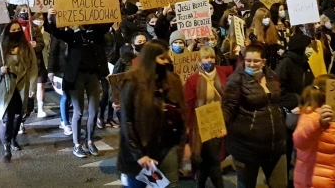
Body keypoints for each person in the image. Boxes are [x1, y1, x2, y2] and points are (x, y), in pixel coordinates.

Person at [117, 41, 187, 187]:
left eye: (167, 58)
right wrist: (139, 155)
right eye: (162, 58)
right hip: (141, 151)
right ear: (150, 59)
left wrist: (185, 143)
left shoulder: (173, 80)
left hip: (168, 148)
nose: (166, 62)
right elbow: (127, 121)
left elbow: (181, 114)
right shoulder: (132, 82)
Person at [222, 43, 290, 188]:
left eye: (256, 61)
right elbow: (228, 107)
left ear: (263, 61)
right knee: (247, 185)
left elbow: (278, 101)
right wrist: (218, 124)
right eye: (248, 61)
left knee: (280, 184)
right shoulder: (236, 80)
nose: (252, 64)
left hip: (275, 146)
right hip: (247, 148)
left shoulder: (271, 76)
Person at [46, 11, 109, 158]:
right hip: (76, 77)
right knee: (78, 111)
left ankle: (89, 141)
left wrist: (114, 4)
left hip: (93, 75)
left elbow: (108, 23)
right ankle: (77, 145)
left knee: (94, 111)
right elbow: (55, 32)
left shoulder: (96, 33)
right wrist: (49, 18)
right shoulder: (73, 35)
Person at [184, 46, 234, 188]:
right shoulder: (193, 80)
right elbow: (188, 106)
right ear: (199, 61)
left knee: (209, 159)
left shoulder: (222, 72)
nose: (209, 60)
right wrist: (188, 129)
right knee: (212, 159)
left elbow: (238, 67)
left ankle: (200, 184)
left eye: (211, 57)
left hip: (218, 121)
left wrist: (241, 52)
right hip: (200, 125)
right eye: (206, 57)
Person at [0, 21, 38, 161]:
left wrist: (32, 87)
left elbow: (33, 67)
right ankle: (6, 144)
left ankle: (14, 137)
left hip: (21, 87)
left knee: (18, 117)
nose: (15, 32)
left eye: (18, 29)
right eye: (13, 29)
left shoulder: (27, 47)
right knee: (6, 118)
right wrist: (0, 70)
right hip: (5, 87)